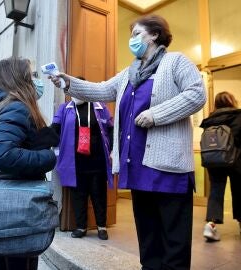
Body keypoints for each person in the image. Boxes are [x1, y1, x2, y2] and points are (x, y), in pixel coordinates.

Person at [50, 14, 206, 270]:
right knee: (148, 239)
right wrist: (68, 82)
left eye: (136, 34)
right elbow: (100, 90)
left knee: (174, 242)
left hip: (169, 169)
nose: (131, 40)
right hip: (137, 167)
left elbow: (197, 94)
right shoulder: (128, 74)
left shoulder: (176, 62)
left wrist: (156, 115)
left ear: (154, 34)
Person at [0, 57, 57, 270]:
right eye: (32, 75)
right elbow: (4, 154)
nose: (36, 80)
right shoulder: (17, 107)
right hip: (17, 202)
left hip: (8, 199)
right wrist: (49, 157)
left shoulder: (6, 106)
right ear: (20, 78)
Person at [51, 77, 114, 240]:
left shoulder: (100, 107)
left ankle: (101, 227)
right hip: (74, 162)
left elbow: (112, 128)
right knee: (78, 195)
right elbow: (54, 130)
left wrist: (114, 150)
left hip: (98, 160)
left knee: (99, 194)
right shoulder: (65, 109)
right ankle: (81, 227)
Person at [200, 91, 241, 241]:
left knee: (216, 191)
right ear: (232, 101)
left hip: (214, 160)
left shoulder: (210, 119)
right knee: (239, 191)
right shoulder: (238, 116)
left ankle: (211, 225)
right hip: (236, 160)